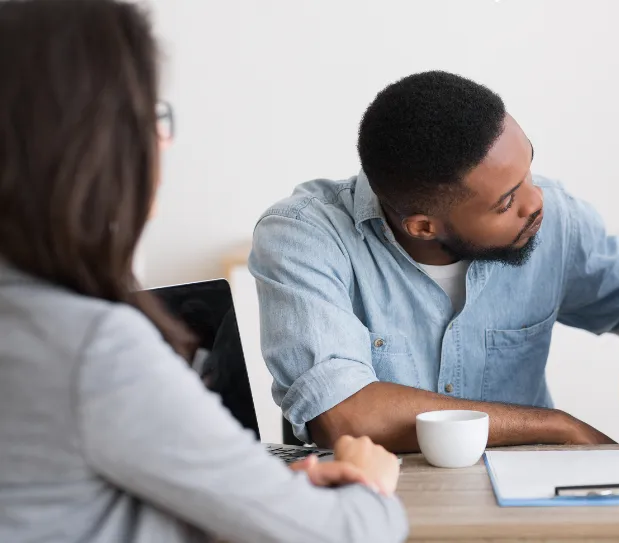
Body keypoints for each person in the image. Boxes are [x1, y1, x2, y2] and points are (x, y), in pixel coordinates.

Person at [0, 1, 406, 542]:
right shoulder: (92, 348)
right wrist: (368, 487)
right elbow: (340, 535)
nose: (163, 141)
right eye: (150, 115)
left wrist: (252, 493)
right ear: (92, 143)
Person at [249, 71, 619, 452]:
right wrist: (555, 426)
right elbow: (345, 415)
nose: (536, 202)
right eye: (507, 202)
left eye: (528, 169)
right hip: (386, 498)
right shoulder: (303, 236)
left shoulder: (556, 219)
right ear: (424, 227)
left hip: (524, 497)